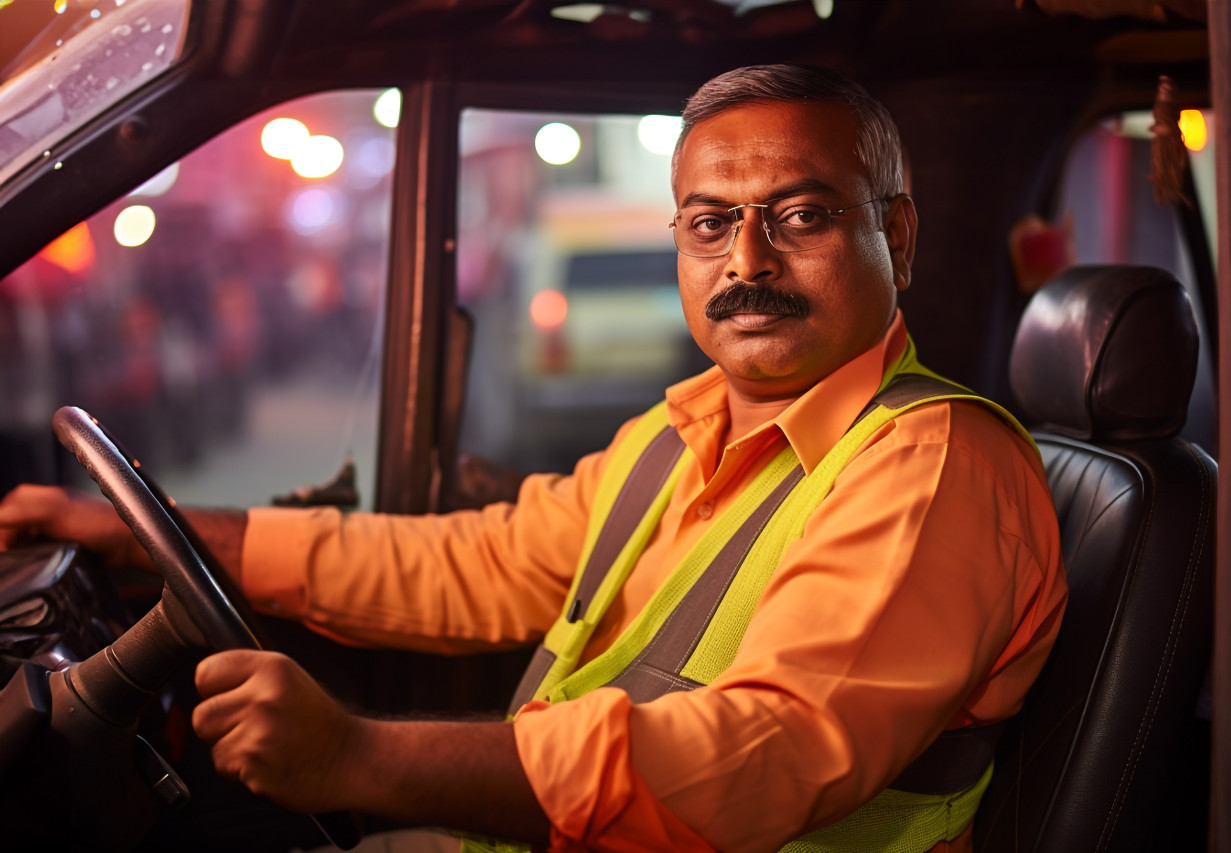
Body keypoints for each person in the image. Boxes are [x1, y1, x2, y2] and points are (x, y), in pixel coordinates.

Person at [0, 65, 1067, 853]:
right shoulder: (682, 433)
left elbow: (764, 754)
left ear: (901, 238)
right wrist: (163, 533)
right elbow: (473, 562)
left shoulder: (930, 464)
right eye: (709, 224)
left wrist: (361, 757)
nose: (746, 261)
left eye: (800, 216)